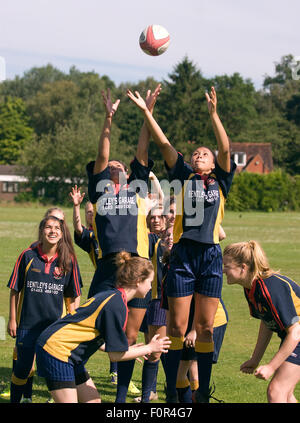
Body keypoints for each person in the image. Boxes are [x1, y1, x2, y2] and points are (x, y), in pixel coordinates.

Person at [127, 86, 236, 402]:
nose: (198, 154)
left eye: (205, 153)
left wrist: (214, 115)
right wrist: (148, 111)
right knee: (175, 328)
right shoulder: (185, 175)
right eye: (196, 153)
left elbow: (226, 147)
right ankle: (178, 389)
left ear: (213, 164)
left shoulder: (220, 180)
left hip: (211, 256)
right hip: (185, 254)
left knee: (204, 328)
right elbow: (163, 143)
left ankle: (200, 392)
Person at [85, 85, 162, 402]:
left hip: (138, 265)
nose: (115, 165)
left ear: (128, 174)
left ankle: (119, 400)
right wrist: (108, 119)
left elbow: (143, 150)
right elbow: (103, 153)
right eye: (110, 165)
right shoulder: (100, 192)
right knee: (89, 331)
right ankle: (69, 377)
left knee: (131, 337)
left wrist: (148, 113)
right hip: (108, 268)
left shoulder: (137, 191)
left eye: (121, 165)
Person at [35, 252, 171, 403]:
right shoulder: (116, 304)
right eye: (150, 282)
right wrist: (150, 348)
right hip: (56, 350)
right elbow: (115, 356)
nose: (151, 287)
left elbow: (92, 335)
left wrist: (132, 350)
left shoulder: (115, 298)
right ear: (138, 281)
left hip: (68, 353)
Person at [7, 215, 82, 403]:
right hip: (27, 325)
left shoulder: (68, 260)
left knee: (53, 369)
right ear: (41, 231)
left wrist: (73, 326)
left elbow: (72, 297)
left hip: (53, 328)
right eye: (48, 227)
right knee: (23, 369)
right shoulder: (27, 256)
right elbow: (15, 290)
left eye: (57, 228)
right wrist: (12, 319)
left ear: (62, 233)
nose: (53, 231)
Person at [223, 240, 300, 403]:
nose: (223, 271)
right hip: (294, 336)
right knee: (285, 394)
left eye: (227, 266)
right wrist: (255, 359)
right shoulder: (251, 287)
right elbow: (267, 322)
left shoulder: (270, 288)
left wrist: (271, 367)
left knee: (276, 391)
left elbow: (295, 332)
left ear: (243, 267)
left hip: (296, 335)